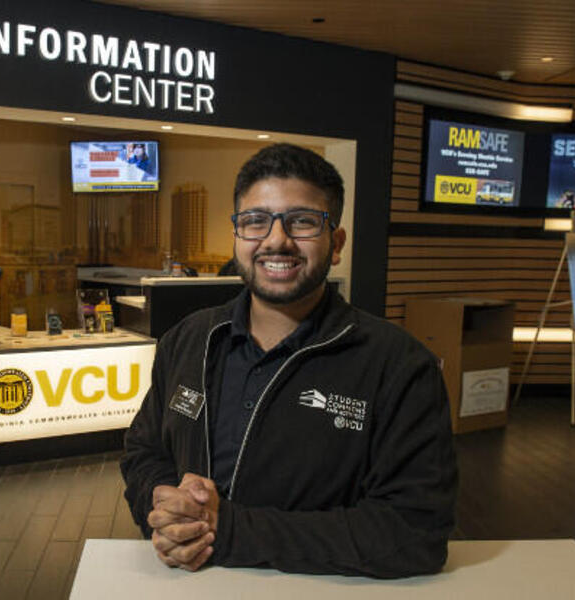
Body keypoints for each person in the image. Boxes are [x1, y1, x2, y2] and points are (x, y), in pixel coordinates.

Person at [120, 144, 458, 578]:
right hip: (185, 582)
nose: (276, 240)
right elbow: (144, 452)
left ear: (335, 244)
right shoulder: (188, 339)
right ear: (238, 237)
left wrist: (230, 530)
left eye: (301, 221)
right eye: (255, 221)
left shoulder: (400, 366)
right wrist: (168, 508)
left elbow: (415, 530)